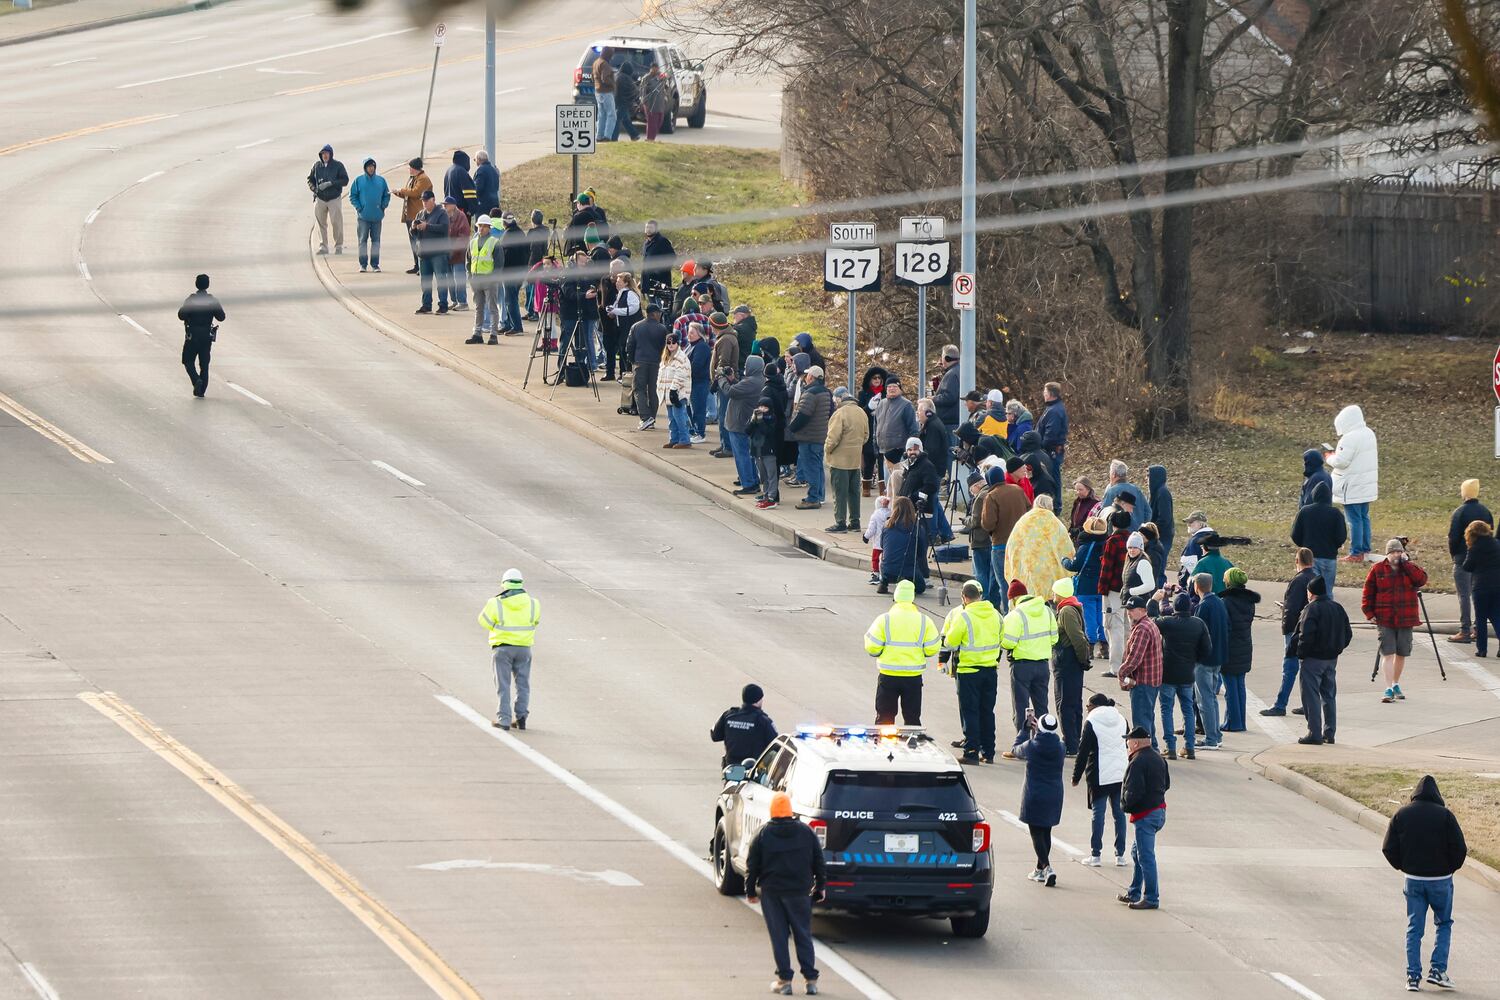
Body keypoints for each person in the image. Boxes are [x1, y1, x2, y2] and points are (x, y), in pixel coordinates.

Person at [1381, 775, 1468, 992]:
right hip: (1441, 880)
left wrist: (1404, 866)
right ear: (1437, 794)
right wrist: (1449, 868)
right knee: (1444, 924)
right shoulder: (1446, 816)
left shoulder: (1402, 814)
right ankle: (1438, 970)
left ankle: (1412, 976)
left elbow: (1388, 848)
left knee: (1414, 928)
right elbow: (1460, 849)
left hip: (1413, 880)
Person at [745, 792, 825, 997]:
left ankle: (785, 980)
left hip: (772, 892)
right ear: (790, 810)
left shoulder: (763, 833)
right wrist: (820, 886)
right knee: (803, 934)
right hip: (800, 891)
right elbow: (818, 860)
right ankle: (810, 980)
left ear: (772, 810)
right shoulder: (806, 832)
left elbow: (752, 865)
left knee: (779, 936)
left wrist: (750, 890)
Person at [940, 579, 1003, 763]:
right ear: (980, 596)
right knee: (987, 711)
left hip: (968, 670)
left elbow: (950, 642)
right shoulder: (996, 614)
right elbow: (1002, 639)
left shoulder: (964, 616)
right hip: (990, 670)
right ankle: (988, 752)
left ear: (964, 598)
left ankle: (971, 752)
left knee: (970, 712)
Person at [865, 578, 940, 724]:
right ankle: (912, 743)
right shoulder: (924, 620)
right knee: (912, 718)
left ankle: (884, 745)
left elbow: (872, 647)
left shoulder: (884, 619)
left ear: (896, 597)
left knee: (884, 718)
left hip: (888, 676)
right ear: (912, 597)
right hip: (913, 677)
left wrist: (881, 653)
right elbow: (932, 648)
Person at [1363, 539, 1429, 704]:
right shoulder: (1377, 569)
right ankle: (1388, 688)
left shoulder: (1409, 569)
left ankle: (1395, 683)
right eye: (1393, 552)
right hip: (1385, 618)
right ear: (1387, 554)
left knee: (1402, 653)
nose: (1396, 555)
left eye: (1399, 552)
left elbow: (1421, 580)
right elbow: (1368, 592)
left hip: (1406, 618)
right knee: (1388, 652)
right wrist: (1369, 612)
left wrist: (1407, 564)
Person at [477, 567, 541, 731]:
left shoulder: (495, 602)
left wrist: (496, 627)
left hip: (503, 648)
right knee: (523, 684)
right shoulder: (534, 603)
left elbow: (483, 620)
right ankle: (521, 718)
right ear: (521, 584)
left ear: (504, 584)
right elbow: (535, 621)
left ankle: (504, 720)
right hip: (524, 648)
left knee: (503, 685)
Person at [999, 580, 1058, 757]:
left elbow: (1007, 642)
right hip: (1042, 665)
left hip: (1022, 666)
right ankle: (1045, 744)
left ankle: (1022, 746)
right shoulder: (1047, 611)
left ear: (1014, 598)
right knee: (1041, 706)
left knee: (1021, 706)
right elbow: (1054, 639)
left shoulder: (1015, 615)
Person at [1294, 574, 1352, 745]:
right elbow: (1348, 633)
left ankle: (1314, 732)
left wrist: (1301, 653)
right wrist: (1337, 649)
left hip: (1313, 659)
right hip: (1332, 659)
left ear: (1311, 593)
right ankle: (1329, 732)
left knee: (1311, 696)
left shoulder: (1311, 609)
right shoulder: (1337, 608)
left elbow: (1305, 636)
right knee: (1329, 695)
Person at [1073, 692, 1128, 868]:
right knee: (1119, 815)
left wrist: (1076, 776)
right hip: (1120, 773)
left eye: (1088, 706)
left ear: (1095, 706)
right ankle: (1120, 855)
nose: (1087, 709)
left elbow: (1083, 751)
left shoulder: (1092, 721)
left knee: (1098, 815)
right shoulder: (1121, 719)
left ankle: (1095, 854)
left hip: (1099, 773)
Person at [1262, 548, 1318, 716]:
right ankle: (1307, 703)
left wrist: (1286, 628)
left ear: (1297, 561)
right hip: (1311, 630)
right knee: (1307, 669)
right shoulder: (1315, 578)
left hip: (1295, 630)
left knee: (1289, 667)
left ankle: (1280, 704)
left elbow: (1292, 608)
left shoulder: (1298, 580)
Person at [1119, 724, 1169, 910]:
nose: (1127, 744)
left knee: (1145, 856)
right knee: (1137, 852)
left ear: (1136, 743)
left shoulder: (1137, 761)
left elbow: (1134, 791)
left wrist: (1125, 805)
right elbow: (1167, 784)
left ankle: (1151, 898)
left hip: (1146, 815)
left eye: (1128, 741)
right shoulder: (1158, 757)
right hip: (1159, 812)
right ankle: (1134, 892)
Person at [1014, 713, 1065, 886]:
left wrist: (1024, 730)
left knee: (1036, 832)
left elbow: (1016, 750)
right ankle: (1039, 870)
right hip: (1055, 794)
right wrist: (1038, 731)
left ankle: (1047, 867)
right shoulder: (1061, 747)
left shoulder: (1032, 746)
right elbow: (1048, 742)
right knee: (1046, 831)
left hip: (1034, 794)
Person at [1155, 593, 1207, 760]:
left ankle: (1170, 747)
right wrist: (1194, 659)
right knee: (1188, 710)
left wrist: (1155, 599)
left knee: (1166, 709)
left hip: (1168, 673)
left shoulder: (1167, 623)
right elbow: (1207, 648)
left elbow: (1151, 618)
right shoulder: (1198, 624)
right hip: (1187, 674)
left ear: (1175, 608)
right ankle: (1189, 746)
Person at [1327, 404, 1379, 561]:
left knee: (1353, 519)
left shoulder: (1349, 438)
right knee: (1363, 517)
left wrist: (1329, 457)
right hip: (1365, 485)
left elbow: (1341, 462)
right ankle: (1364, 549)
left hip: (1352, 486)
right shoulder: (1368, 433)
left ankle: (1356, 552)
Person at [1448, 479, 1494, 644]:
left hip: (1462, 558)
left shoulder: (1459, 512)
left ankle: (1464, 630)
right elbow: (1491, 534)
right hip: (1483, 561)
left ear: (1465, 492)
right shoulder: (1485, 512)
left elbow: (1453, 537)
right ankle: (1478, 629)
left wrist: (1454, 555)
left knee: (1464, 595)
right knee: (1478, 594)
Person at [1004, 496, 1075, 601]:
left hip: (1027, 567)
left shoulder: (1023, 521)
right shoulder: (1054, 522)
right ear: (1050, 506)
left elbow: (1013, 543)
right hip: (1049, 570)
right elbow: (1065, 545)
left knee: (1029, 596)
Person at [1051, 577, 1091, 755]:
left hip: (1067, 662)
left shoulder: (1066, 611)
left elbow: (1078, 638)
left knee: (1065, 703)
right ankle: (1075, 739)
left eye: (1054, 592)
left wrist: (1083, 659)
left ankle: (1070, 743)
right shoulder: (1072, 607)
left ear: (1059, 594)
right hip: (1072, 662)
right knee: (1074, 702)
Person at [981, 467, 1029, 610]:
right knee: (1019, 580)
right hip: (1020, 543)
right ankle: (1021, 609)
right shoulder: (1018, 490)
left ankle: (1008, 612)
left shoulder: (991, 496)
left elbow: (988, 524)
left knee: (1003, 582)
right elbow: (1029, 509)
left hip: (1000, 545)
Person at [1117, 597, 1163, 746]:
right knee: (1148, 717)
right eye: (1128, 610)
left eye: (1132, 610)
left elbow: (1134, 659)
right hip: (1152, 681)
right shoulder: (1149, 624)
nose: (1129, 613)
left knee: (1141, 721)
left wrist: (1121, 672)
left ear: (1143, 610)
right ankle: (1153, 748)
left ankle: (1146, 753)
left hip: (1143, 682)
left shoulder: (1142, 629)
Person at [1192, 572, 1229, 750]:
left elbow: (1197, 632)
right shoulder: (1219, 603)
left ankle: (1211, 738)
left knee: (1204, 699)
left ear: (1196, 586)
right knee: (1211, 698)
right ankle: (1216, 735)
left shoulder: (1203, 606)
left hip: (1205, 660)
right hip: (1218, 657)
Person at [1220, 568, 1258, 733]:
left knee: (1230, 688)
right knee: (1239, 685)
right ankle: (1240, 721)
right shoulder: (1249, 602)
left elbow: (1225, 628)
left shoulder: (1226, 602)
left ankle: (1232, 722)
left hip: (1230, 648)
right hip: (1244, 645)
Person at [825, 386, 868, 532]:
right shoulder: (861, 412)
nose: (834, 403)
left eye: (835, 400)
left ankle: (840, 522)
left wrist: (827, 450)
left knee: (840, 493)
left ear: (839, 398)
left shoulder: (840, 413)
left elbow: (833, 438)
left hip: (839, 461)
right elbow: (866, 435)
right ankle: (855, 522)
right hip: (855, 460)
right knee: (854, 493)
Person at [788, 365, 831, 510]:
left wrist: (791, 428)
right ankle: (819, 495)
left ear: (811, 377)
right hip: (819, 436)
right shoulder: (827, 393)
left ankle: (812, 498)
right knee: (818, 467)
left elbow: (803, 416)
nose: (806, 378)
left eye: (807, 375)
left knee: (810, 468)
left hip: (808, 436)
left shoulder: (810, 393)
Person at [1292, 481, 1347, 594]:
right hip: (1329, 557)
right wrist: (1334, 547)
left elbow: (1295, 534)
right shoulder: (1336, 513)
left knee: (1310, 591)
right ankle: (1327, 610)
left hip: (1308, 557)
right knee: (1326, 591)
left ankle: (1310, 611)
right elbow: (1341, 536)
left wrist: (1304, 546)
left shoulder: (1305, 511)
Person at [1064, 515, 1107, 656]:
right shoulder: (1107, 546)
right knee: (1101, 615)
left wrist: (1064, 560)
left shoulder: (1085, 547)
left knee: (1088, 617)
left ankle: (1090, 644)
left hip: (1086, 587)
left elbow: (1074, 565)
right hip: (1102, 587)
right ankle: (1104, 645)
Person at [725, 356, 767, 497]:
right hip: (747, 422)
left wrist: (721, 379)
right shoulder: (758, 380)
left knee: (741, 454)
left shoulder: (751, 381)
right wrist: (732, 380)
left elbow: (730, 391)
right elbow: (739, 389)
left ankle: (748, 483)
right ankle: (752, 481)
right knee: (749, 454)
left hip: (739, 423)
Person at [177, 273, 224, 398]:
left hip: (192, 335)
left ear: (196, 284)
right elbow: (221, 317)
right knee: (204, 364)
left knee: (188, 360)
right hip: (206, 336)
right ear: (207, 285)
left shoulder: (191, 299)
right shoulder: (212, 300)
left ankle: (195, 379)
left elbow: (181, 315)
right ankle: (201, 390)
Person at [711, 683, 778, 767]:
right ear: (758, 700)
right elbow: (775, 745)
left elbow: (715, 736)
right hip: (753, 769)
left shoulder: (729, 715)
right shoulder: (763, 720)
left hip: (731, 767)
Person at [1099, 509, 1132, 676]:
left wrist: (1102, 589)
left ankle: (1116, 667)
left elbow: (1107, 567)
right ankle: (1128, 663)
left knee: (1114, 628)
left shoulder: (1113, 541)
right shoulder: (1132, 540)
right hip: (1130, 590)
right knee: (1127, 628)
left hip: (1114, 589)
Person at [627, 303, 668, 429]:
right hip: (656, 363)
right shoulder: (662, 328)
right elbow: (665, 347)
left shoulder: (636, 327)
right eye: (659, 313)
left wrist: (632, 360)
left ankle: (645, 418)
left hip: (640, 361)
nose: (660, 315)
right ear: (655, 314)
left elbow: (630, 345)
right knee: (654, 391)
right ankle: (652, 417)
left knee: (639, 390)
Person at [877, 496, 929, 595]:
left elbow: (882, 546)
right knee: (921, 588)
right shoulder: (917, 527)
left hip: (888, 570)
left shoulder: (887, 526)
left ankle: (883, 581)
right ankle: (906, 581)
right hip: (909, 571)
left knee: (882, 555)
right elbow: (922, 552)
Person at [1463, 520, 1500, 657]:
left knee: (1481, 618)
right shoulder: (1497, 543)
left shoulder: (1475, 548)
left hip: (1481, 586)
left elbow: (1467, 566)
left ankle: (1482, 649)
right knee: (1497, 615)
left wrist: (1469, 550)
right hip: (1498, 585)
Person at [463, 215, 500, 345]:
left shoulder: (494, 242)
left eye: (484, 226)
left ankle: (493, 334)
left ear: (489, 228)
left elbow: (499, 265)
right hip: (476, 279)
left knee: (492, 307)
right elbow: (468, 261)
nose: (482, 228)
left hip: (489, 280)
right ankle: (477, 333)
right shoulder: (472, 242)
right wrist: (470, 276)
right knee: (479, 308)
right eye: (480, 226)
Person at [348, 157, 389, 273]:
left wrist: (383, 206)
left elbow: (387, 195)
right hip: (363, 218)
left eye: (373, 166)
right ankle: (363, 264)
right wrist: (359, 207)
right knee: (362, 241)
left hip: (377, 217)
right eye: (369, 167)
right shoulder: (358, 181)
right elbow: (353, 196)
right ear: (365, 168)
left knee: (376, 241)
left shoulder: (381, 181)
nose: (371, 168)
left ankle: (375, 264)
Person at [412, 192, 451, 314]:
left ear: (433, 200)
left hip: (438, 253)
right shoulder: (420, 214)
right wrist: (413, 227)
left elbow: (444, 228)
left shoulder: (442, 213)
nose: (424, 203)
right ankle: (426, 305)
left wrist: (427, 226)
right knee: (425, 282)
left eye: (426, 200)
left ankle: (443, 305)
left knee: (441, 280)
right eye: (423, 201)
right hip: (424, 254)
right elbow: (414, 234)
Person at [965, 472, 1000, 605]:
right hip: (992, 539)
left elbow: (975, 521)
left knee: (980, 573)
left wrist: (965, 521)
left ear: (976, 485)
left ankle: (983, 599)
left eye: (971, 489)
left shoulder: (980, 497)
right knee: (992, 574)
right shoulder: (993, 492)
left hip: (980, 540)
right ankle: (993, 601)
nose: (971, 492)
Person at [873, 377, 920, 476]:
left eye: (895, 386)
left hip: (900, 453)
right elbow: (876, 425)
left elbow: (914, 430)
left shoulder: (906, 405)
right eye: (889, 386)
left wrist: (911, 451)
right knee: (888, 485)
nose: (892, 389)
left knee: (898, 484)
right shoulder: (881, 404)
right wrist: (875, 444)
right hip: (884, 452)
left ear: (900, 388)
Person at [307, 143, 348, 255]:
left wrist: (331, 183)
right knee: (321, 223)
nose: (325, 156)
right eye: (323, 154)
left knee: (336, 222)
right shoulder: (317, 166)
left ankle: (338, 245)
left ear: (331, 154)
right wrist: (314, 189)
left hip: (334, 198)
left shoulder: (338, 166)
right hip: (320, 198)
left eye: (327, 153)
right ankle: (323, 246)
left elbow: (345, 180)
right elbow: (310, 179)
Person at [749, 389, 785, 510]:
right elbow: (747, 431)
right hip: (757, 450)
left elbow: (767, 431)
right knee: (763, 476)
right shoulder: (756, 417)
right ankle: (765, 495)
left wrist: (761, 421)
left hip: (769, 451)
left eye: (765, 407)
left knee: (771, 475)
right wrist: (753, 421)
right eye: (760, 407)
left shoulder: (772, 419)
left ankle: (771, 497)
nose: (762, 409)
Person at [395, 157, 432, 273]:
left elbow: (416, 193)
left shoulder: (423, 179)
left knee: (419, 241)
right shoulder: (413, 178)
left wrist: (401, 189)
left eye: (410, 167)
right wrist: (398, 193)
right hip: (410, 215)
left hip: (418, 215)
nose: (409, 170)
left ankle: (423, 266)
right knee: (413, 241)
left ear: (415, 168)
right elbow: (408, 194)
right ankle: (417, 265)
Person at [656, 333, 693, 448]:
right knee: (671, 418)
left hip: (678, 393)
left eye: (673, 343)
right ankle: (674, 439)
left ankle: (685, 440)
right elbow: (660, 375)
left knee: (679, 417)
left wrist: (673, 390)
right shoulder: (665, 358)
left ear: (678, 343)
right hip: (667, 394)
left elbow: (680, 375)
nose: (671, 345)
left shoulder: (681, 358)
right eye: (668, 343)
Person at [603, 273, 642, 381]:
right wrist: (612, 309)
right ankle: (623, 372)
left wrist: (616, 311)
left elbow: (633, 309)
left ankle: (627, 372)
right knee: (622, 349)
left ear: (625, 283)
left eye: (619, 281)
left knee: (626, 349)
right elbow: (618, 307)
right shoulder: (621, 293)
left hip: (629, 325)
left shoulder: (630, 294)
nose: (616, 283)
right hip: (621, 326)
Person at [497, 213, 532, 335]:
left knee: (510, 300)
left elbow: (503, 256)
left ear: (504, 222)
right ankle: (508, 324)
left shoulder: (507, 235)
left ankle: (517, 326)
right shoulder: (520, 233)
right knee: (512, 298)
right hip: (521, 271)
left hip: (510, 273)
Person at [1037, 382, 1068, 513]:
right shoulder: (1052, 408)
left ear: (1050, 394)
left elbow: (1051, 435)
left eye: (1045, 392)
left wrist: (1041, 446)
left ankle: (1055, 507)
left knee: (1053, 478)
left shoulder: (1054, 411)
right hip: (1049, 450)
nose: (1043, 394)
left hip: (1051, 452)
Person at [1101, 460, 1151, 531]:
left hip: (1119, 536)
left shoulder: (1112, 491)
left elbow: (1104, 514)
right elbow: (1148, 512)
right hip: (1137, 534)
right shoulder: (1137, 489)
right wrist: (1141, 528)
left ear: (1114, 474)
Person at [685, 322, 712, 441]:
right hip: (691, 382)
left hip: (699, 382)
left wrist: (684, 371)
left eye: (692, 332)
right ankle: (693, 431)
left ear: (699, 334)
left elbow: (696, 365)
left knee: (698, 409)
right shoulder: (690, 345)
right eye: (689, 332)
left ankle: (700, 432)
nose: (689, 335)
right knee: (689, 408)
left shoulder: (701, 346)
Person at [640, 220, 675, 302]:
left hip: (660, 285)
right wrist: (642, 281)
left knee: (661, 310)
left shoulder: (662, 241)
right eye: (647, 227)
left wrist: (659, 272)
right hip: (649, 285)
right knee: (653, 310)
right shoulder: (646, 243)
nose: (648, 229)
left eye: (651, 228)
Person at [931, 344, 961, 429]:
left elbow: (950, 397)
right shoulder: (959, 370)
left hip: (949, 423)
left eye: (942, 356)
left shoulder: (952, 374)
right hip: (954, 420)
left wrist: (933, 399)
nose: (941, 360)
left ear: (947, 358)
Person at [592, 47, 619, 142]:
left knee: (601, 115)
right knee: (612, 115)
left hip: (598, 92)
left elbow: (594, 77)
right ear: (608, 54)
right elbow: (605, 78)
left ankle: (599, 136)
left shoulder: (596, 62)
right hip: (606, 92)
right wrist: (613, 84)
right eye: (611, 54)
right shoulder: (605, 64)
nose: (611, 57)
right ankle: (607, 137)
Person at [864, 495, 892, 584]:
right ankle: (886, 574)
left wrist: (866, 536)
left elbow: (871, 529)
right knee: (886, 559)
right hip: (888, 542)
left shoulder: (875, 515)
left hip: (877, 543)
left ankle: (876, 574)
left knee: (875, 559)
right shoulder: (891, 513)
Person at [1146, 465, 1173, 556]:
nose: (1147, 479)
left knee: (1158, 563)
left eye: (1149, 476)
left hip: (1162, 536)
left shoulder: (1162, 493)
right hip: (1156, 535)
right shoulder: (1155, 492)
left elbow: (1164, 518)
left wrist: (1150, 530)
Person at [443, 150, 476, 218]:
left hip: (449, 208)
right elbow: (469, 193)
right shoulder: (461, 172)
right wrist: (471, 209)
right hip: (461, 210)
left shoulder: (449, 170)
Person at [642, 63, 670, 141]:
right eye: (653, 68)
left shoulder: (661, 77)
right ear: (651, 68)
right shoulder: (646, 78)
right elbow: (643, 91)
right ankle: (650, 138)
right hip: (650, 103)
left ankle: (652, 137)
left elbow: (666, 87)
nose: (655, 70)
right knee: (651, 122)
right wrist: (645, 102)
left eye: (657, 68)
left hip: (660, 103)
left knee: (660, 121)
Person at [471, 149, 499, 217]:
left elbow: (478, 188)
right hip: (494, 203)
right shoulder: (494, 170)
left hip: (483, 205)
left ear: (479, 159)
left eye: (475, 160)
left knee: (481, 224)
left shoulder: (481, 171)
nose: (475, 162)